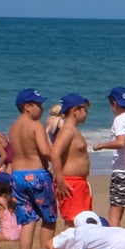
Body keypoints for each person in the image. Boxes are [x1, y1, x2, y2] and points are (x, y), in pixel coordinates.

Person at [6, 90, 56, 249]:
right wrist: (57, 158)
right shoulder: (36, 126)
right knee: (48, 219)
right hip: (37, 174)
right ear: (27, 107)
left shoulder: (12, 127)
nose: (41, 109)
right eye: (38, 105)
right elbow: (44, 151)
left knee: (27, 220)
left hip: (18, 175)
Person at [95, 87, 125, 227]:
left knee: (115, 213)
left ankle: (113, 240)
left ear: (114, 103)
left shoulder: (120, 119)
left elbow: (121, 142)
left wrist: (101, 145)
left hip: (123, 171)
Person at [48, 93, 95, 227]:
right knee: (74, 221)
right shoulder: (67, 130)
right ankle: (70, 247)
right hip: (71, 183)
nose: (86, 113)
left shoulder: (73, 130)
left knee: (82, 220)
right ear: (75, 110)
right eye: (85, 109)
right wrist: (60, 180)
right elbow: (55, 153)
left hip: (78, 182)